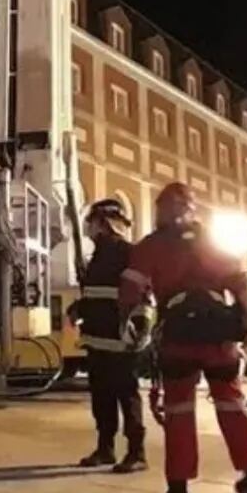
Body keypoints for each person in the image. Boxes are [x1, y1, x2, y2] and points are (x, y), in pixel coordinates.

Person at [119, 183, 247, 493]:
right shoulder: (212, 241)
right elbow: (240, 285)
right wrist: (246, 324)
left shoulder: (151, 245)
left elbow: (131, 291)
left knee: (178, 411)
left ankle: (178, 483)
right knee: (231, 403)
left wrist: (130, 327)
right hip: (219, 337)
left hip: (178, 338)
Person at [76, 199, 147, 473]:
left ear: (104, 223)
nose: (89, 228)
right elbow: (98, 294)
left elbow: (142, 295)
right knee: (101, 396)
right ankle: (105, 448)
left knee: (127, 396)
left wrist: (138, 330)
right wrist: (79, 308)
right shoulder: (97, 256)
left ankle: (136, 452)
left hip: (121, 339)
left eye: (92, 222)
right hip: (98, 338)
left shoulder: (129, 253)